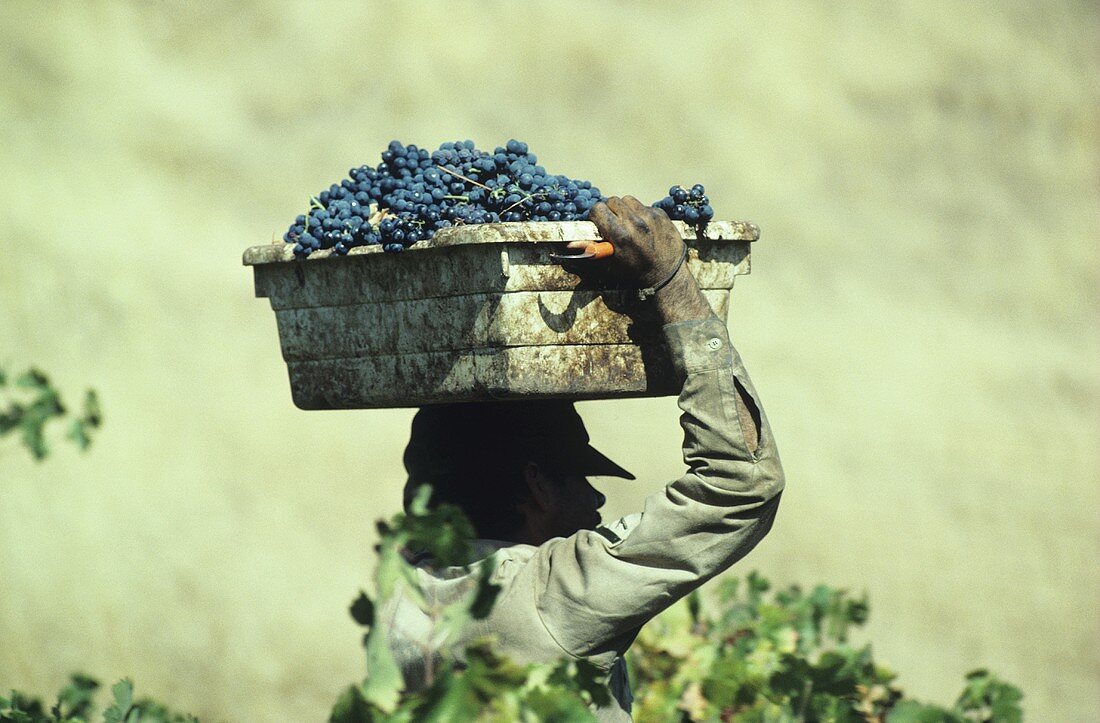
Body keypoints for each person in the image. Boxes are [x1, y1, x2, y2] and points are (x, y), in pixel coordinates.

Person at [381, 196, 785, 721]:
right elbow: (741, 484)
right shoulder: (549, 601)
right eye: (576, 477)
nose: (595, 497)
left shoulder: (406, 595)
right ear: (538, 486)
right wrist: (671, 285)